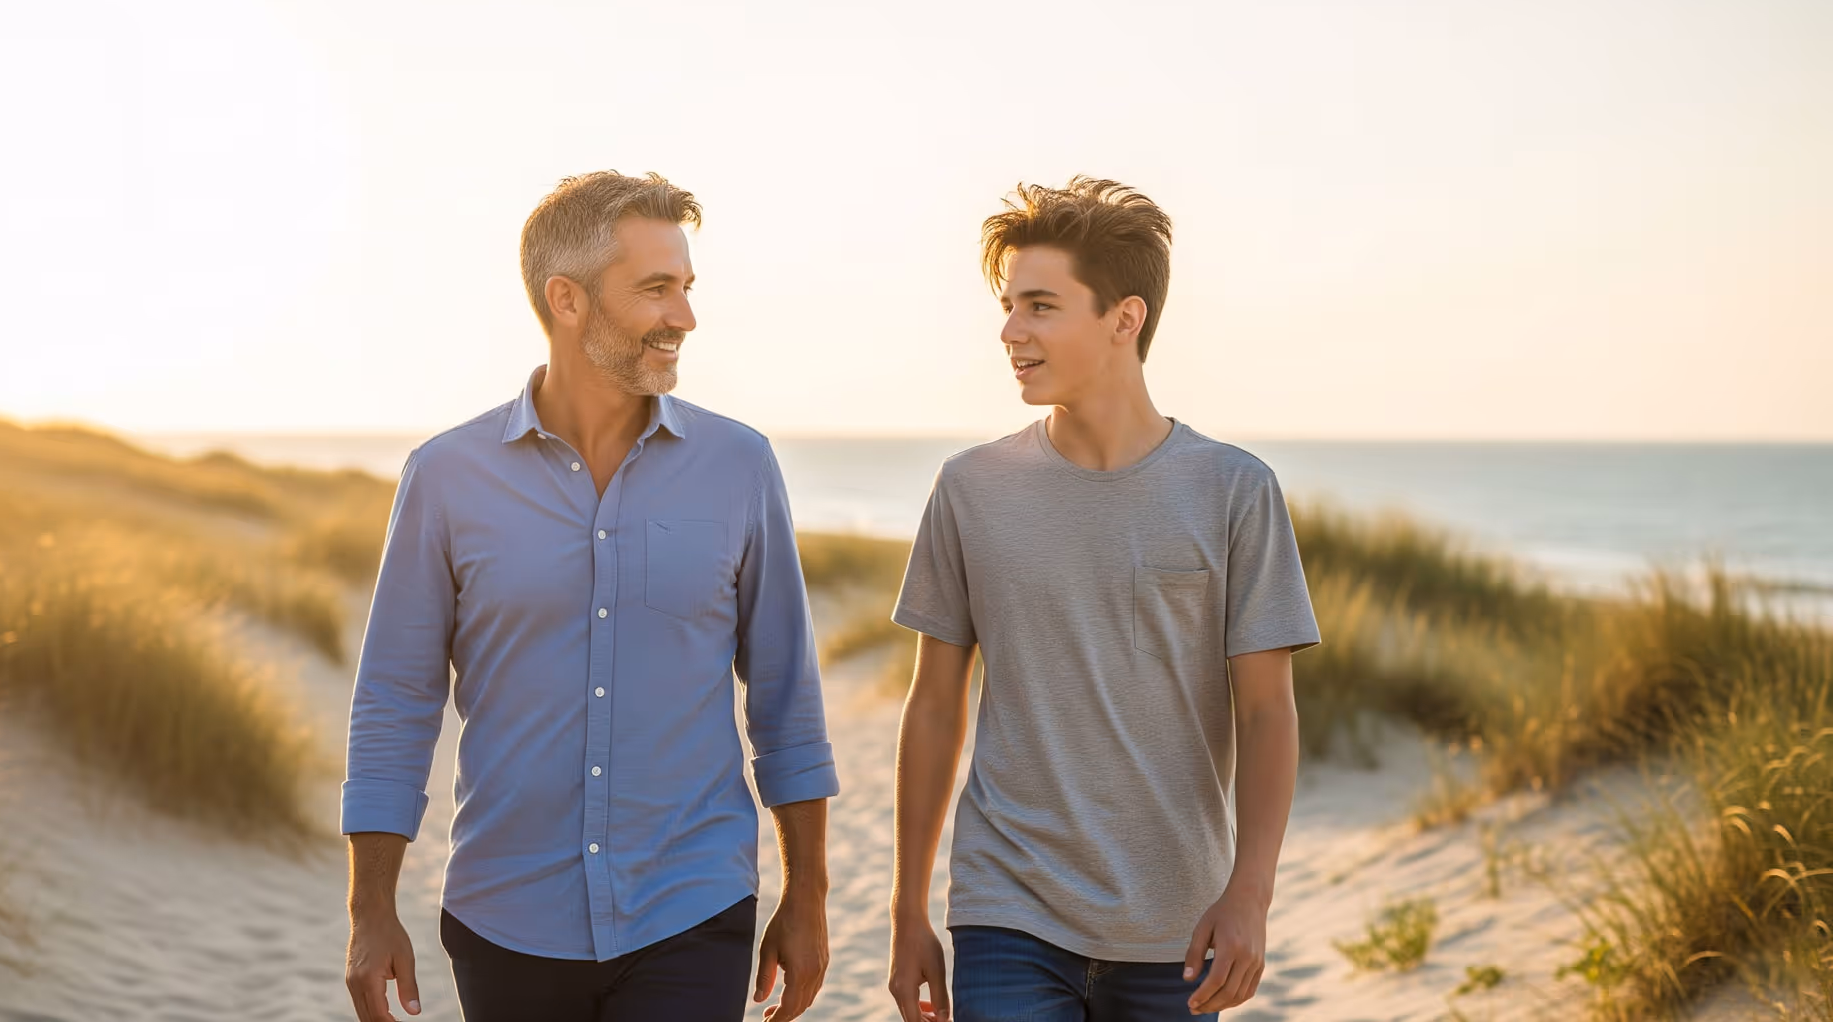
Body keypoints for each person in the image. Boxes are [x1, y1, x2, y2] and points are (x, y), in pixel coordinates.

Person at [341, 170, 837, 1022]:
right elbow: (395, 698)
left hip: (693, 906)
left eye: (686, 287)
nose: (685, 316)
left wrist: (809, 895)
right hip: (506, 916)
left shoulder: (740, 466)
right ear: (566, 299)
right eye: (656, 289)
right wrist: (369, 906)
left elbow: (786, 695)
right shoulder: (446, 477)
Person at [885, 177, 1320, 1021]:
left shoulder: (1235, 491)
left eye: (1040, 306)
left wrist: (1251, 891)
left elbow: (1268, 710)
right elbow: (933, 704)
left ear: (1125, 318)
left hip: (1178, 924)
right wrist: (907, 909)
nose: (1011, 331)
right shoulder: (970, 488)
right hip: (1007, 906)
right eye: (1009, 306)